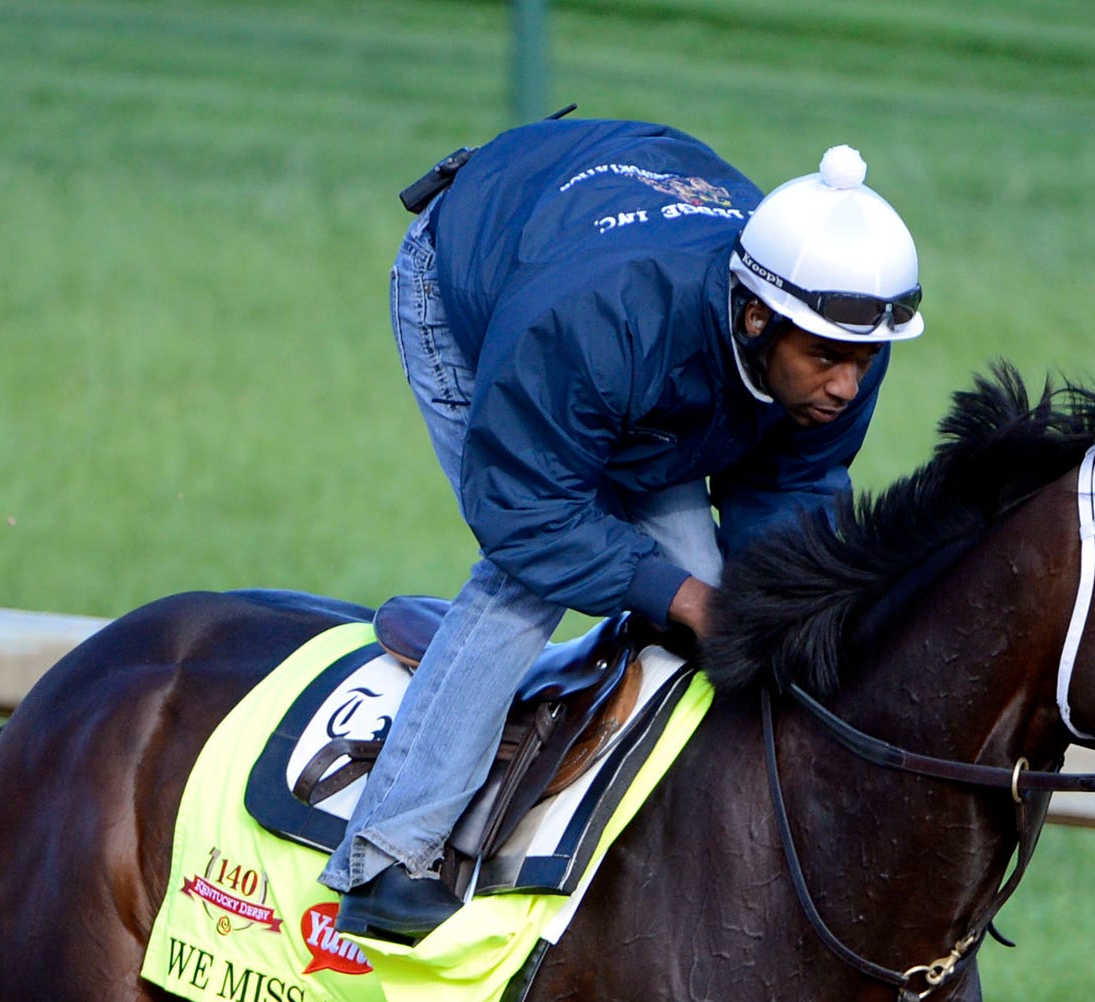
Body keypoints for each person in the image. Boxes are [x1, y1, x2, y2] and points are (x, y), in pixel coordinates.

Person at [328, 118, 928, 942]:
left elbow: (790, 487)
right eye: (828, 359)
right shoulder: (590, 323)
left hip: (643, 353)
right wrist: (682, 599)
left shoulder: (840, 323)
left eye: (865, 359)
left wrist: (780, 619)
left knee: (721, 603)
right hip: (479, 286)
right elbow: (531, 516)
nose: (847, 384)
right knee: (533, 578)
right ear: (758, 317)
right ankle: (388, 849)